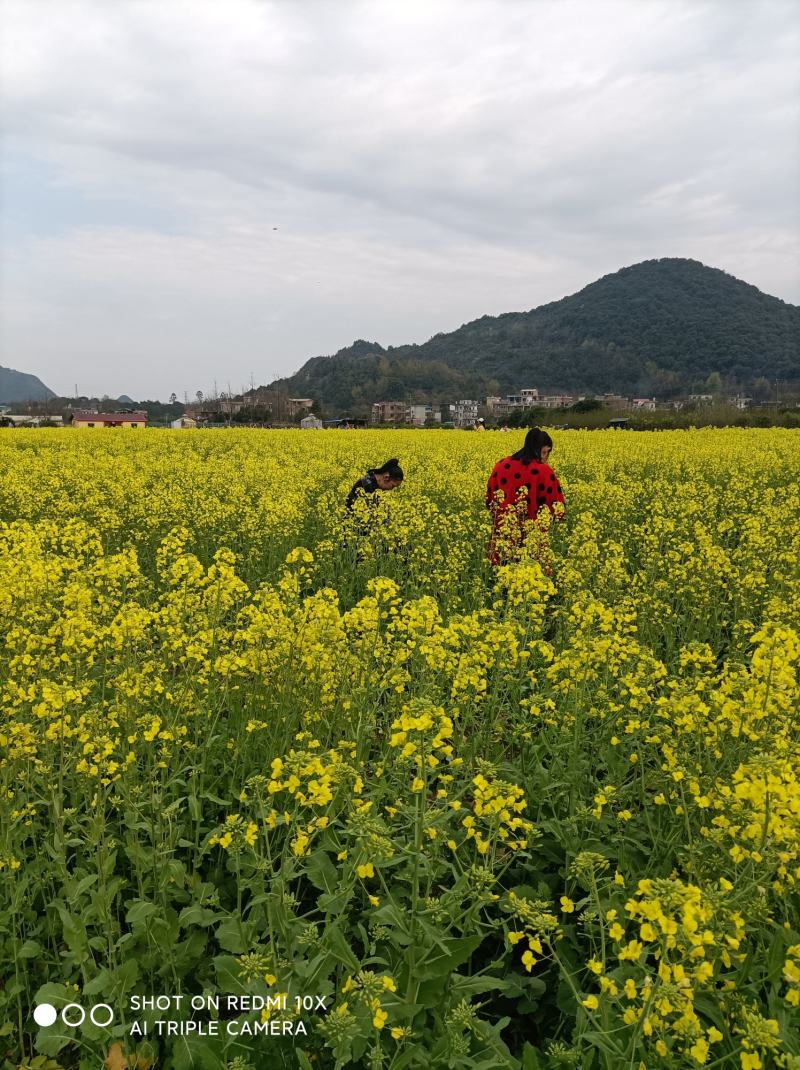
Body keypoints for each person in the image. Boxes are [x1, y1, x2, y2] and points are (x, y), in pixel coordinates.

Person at [485, 428, 565, 569]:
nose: (546, 458)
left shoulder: (501, 465)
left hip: (502, 537)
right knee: (529, 584)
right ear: (541, 450)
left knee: (499, 580)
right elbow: (556, 506)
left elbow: (490, 499)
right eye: (546, 452)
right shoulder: (543, 471)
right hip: (531, 540)